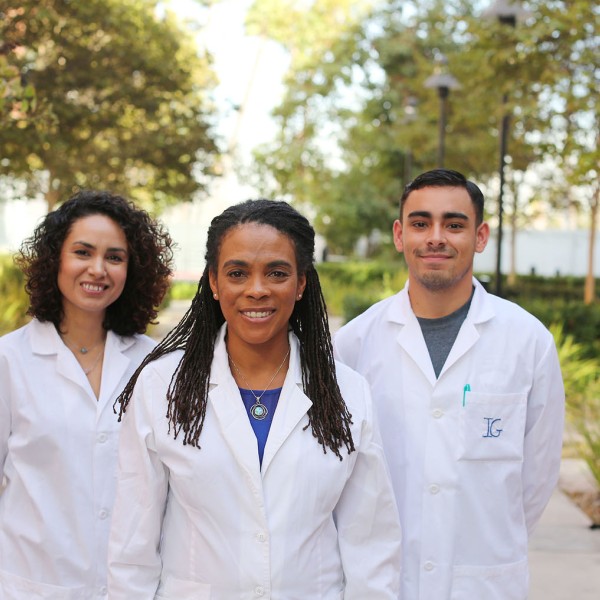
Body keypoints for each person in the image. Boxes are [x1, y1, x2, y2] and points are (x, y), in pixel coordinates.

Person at [107, 199, 401, 599]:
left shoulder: (347, 392)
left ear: (300, 284)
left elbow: (371, 544)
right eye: (237, 273)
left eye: (277, 273)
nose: (257, 289)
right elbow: (132, 547)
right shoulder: (161, 386)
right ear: (214, 281)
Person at [334, 169, 565, 600]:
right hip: (384, 583)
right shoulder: (353, 344)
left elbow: (537, 477)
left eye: (454, 224)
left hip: (483, 582)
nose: (436, 237)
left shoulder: (527, 341)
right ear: (400, 235)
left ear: (480, 237)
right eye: (421, 224)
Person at [0, 190, 174, 599]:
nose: (98, 269)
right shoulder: (8, 360)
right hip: (30, 587)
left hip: (131, 590)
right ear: (55, 259)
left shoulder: (157, 364)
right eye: (83, 252)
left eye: (115, 257)